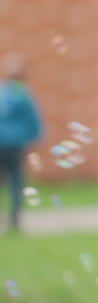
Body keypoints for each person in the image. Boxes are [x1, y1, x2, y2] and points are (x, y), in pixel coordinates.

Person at [0, 53, 43, 234]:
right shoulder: (25, 94)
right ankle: (14, 220)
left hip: (2, 143)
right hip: (17, 145)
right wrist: (35, 138)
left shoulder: (3, 92)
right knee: (16, 182)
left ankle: (13, 218)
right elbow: (34, 120)